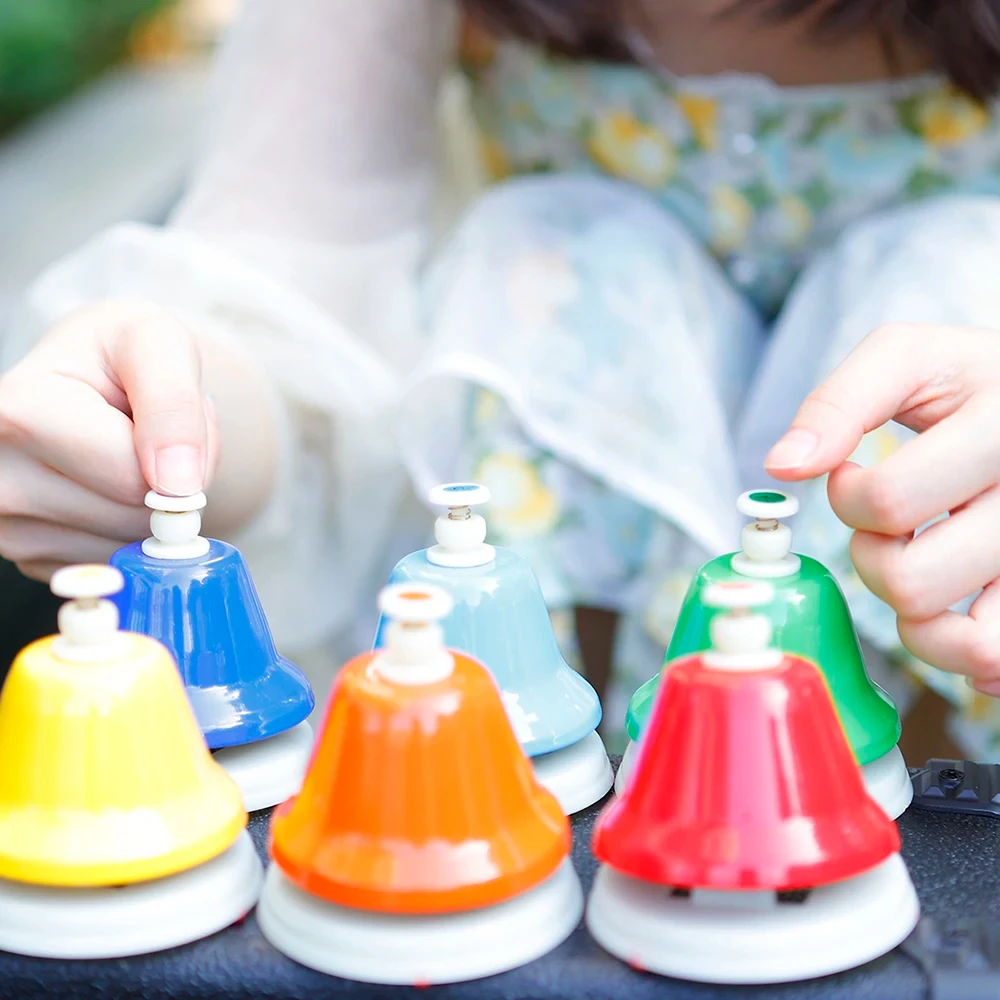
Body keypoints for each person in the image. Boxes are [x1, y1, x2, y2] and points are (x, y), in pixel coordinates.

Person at [2, 0, 1000, 754]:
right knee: (554, 252)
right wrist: (167, 431)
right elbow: (291, 288)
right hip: (555, 583)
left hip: (942, 675)